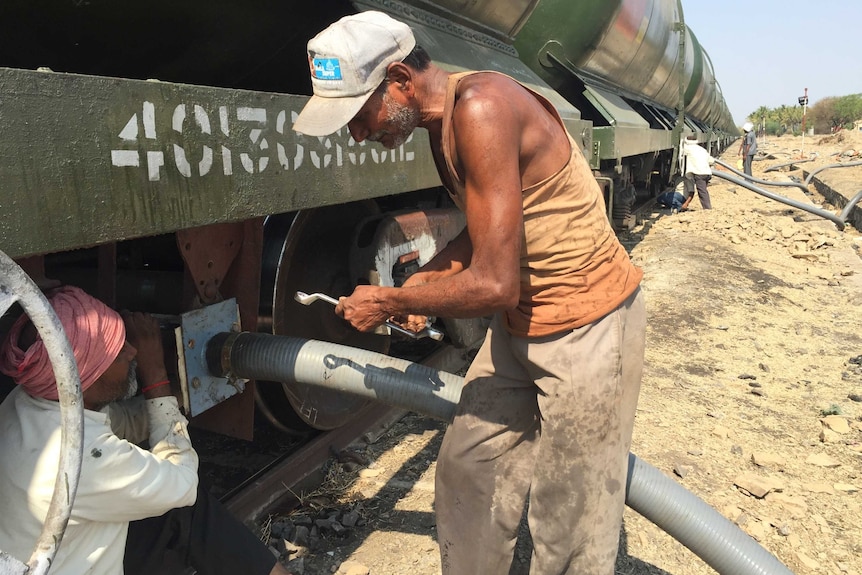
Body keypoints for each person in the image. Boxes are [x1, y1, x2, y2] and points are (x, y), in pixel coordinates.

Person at [293, 11, 645, 575]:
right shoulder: (442, 127)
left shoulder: (481, 110)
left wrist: (392, 302)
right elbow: (485, 239)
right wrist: (423, 279)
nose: (357, 134)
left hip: (589, 323)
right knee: (468, 468)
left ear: (401, 80)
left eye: (359, 114)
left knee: (569, 521)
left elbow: (495, 283)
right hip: (524, 325)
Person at [0, 285, 292, 575]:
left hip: (53, 556)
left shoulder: (27, 401)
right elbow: (184, 484)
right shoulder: (84, 459)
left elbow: (111, 420)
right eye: (116, 351)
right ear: (85, 376)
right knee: (184, 507)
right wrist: (156, 377)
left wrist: (172, 400)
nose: (132, 352)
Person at [680, 134, 715, 210]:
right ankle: (707, 207)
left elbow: (681, 149)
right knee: (704, 190)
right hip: (707, 173)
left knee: (702, 192)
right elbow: (711, 160)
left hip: (699, 173)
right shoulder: (702, 149)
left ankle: (707, 209)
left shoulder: (688, 149)